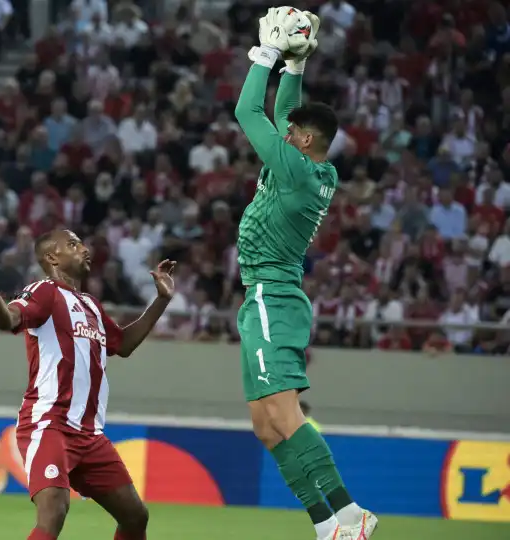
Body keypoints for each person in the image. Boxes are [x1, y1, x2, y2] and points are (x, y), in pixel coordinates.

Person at [235, 8, 376, 540]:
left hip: (273, 294)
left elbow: (248, 110)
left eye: (291, 131)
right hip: (265, 296)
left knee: (285, 412)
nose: (283, 130)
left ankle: (349, 511)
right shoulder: (316, 168)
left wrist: (266, 54)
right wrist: (294, 67)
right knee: (265, 425)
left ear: (306, 142)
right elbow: (285, 112)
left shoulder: (294, 167)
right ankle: (326, 525)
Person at [0, 229, 176, 540]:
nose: (84, 249)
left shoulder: (92, 306)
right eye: (72, 244)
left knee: (136, 516)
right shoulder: (44, 291)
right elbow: (8, 319)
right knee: (54, 512)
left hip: (90, 435)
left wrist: (161, 300)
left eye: (82, 243)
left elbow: (123, 344)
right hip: (49, 423)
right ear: (51, 257)